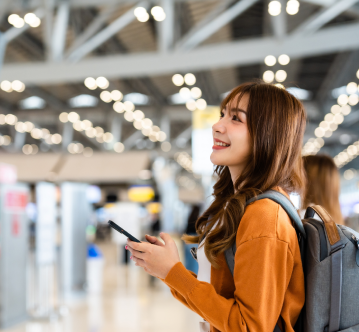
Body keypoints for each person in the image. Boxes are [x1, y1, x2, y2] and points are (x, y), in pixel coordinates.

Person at [125, 82, 308, 332]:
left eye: (236, 118)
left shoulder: (265, 216)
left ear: (267, 133)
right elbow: (222, 305)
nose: (217, 125)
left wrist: (172, 272)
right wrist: (168, 270)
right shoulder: (247, 207)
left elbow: (248, 326)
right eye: (223, 114)